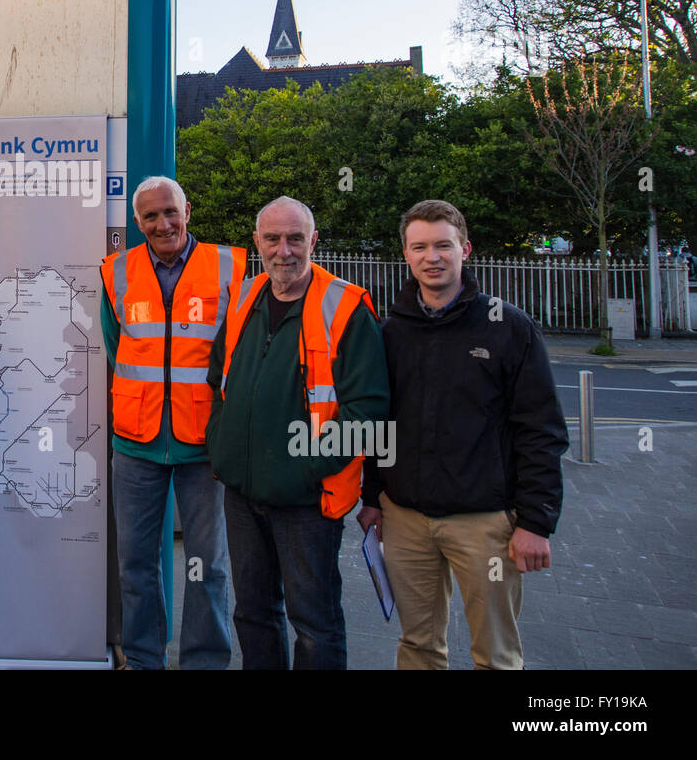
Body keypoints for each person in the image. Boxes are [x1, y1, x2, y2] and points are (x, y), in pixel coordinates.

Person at [357, 199, 569, 670]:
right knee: (418, 646)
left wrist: (536, 521)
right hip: (405, 519)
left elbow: (541, 430)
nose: (432, 257)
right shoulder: (389, 331)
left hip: (485, 522)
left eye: (443, 246)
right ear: (406, 254)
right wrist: (372, 496)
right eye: (420, 247)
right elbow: (376, 422)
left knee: (494, 654)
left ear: (465, 249)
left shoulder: (508, 327)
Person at [206, 196, 390, 670]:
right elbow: (218, 380)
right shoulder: (245, 296)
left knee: (314, 622)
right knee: (253, 613)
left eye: (295, 238)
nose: (283, 250)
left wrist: (308, 468)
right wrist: (221, 446)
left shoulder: (346, 306)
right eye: (272, 239)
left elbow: (367, 410)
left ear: (314, 241)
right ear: (257, 243)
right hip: (243, 493)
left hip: (308, 502)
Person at [99, 175, 244, 670]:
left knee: (209, 567)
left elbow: (239, 353)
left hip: (205, 444)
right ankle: (143, 660)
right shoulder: (116, 272)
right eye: (150, 216)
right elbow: (118, 348)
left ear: (188, 211)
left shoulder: (230, 268)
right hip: (136, 443)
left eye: (170, 212)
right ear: (137, 223)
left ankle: (204, 662)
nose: (163, 223)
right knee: (136, 564)